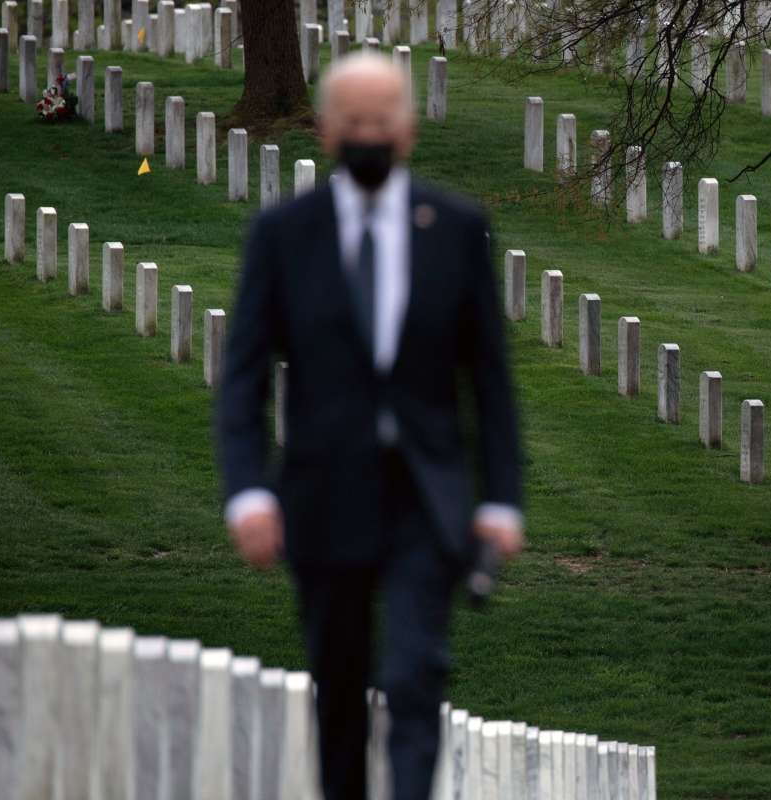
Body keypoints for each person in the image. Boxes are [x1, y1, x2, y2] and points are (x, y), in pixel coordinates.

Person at [215, 53, 525, 800]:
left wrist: (501, 499)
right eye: (354, 123)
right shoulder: (285, 235)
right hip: (325, 489)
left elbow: (488, 377)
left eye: (381, 122)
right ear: (324, 132)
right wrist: (249, 493)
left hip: (425, 490)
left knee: (416, 670)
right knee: (342, 683)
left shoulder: (454, 230)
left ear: (410, 131)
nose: (368, 136)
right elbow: (245, 376)